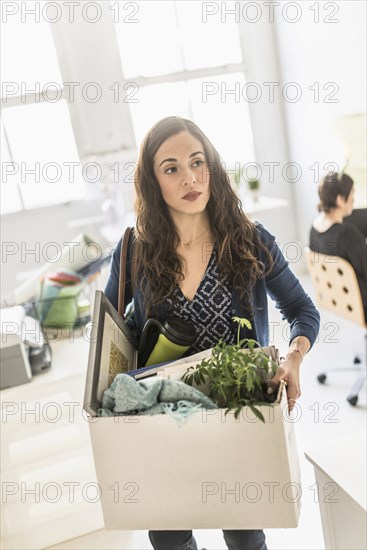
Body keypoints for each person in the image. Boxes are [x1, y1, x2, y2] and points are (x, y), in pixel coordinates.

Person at [105, 116, 320, 550]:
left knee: (245, 538)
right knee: (169, 538)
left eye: (197, 162)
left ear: (212, 166)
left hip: (237, 418)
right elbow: (107, 334)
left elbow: (301, 309)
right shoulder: (134, 251)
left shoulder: (250, 241)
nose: (189, 177)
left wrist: (293, 358)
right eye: (171, 168)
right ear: (152, 182)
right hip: (162, 423)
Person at [309, 171, 367, 321]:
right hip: (362, 303)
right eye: (352, 194)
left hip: (343, 300)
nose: (354, 199)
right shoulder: (346, 233)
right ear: (341, 199)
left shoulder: (314, 230)